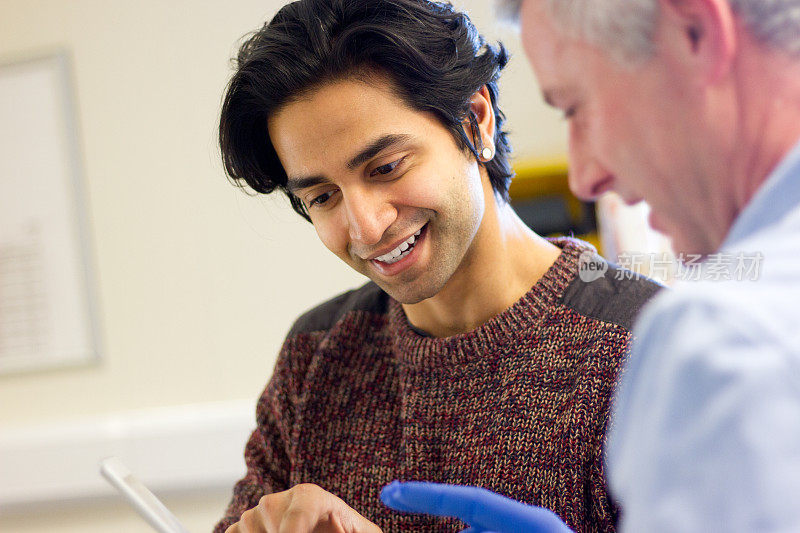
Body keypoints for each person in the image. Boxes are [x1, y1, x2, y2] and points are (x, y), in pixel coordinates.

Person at [214, 0, 660, 531]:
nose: (365, 229)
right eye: (323, 197)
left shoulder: (648, 345)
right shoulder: (316, 357)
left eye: (385, 167)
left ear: (476, 121)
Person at [384, 0, 800, 531]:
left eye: (577, 107)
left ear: (696, 32)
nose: (585, 178)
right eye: (321, 196)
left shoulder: (726, 340)